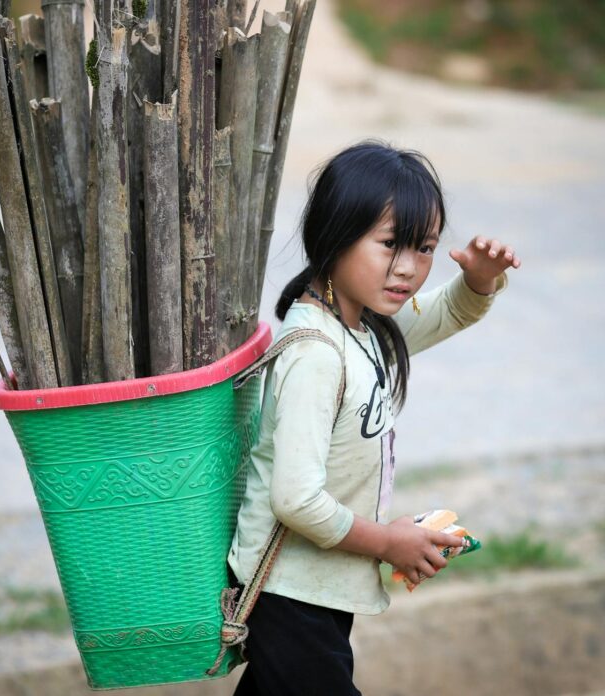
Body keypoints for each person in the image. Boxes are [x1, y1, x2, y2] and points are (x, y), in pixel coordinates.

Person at [227, 139, 521, 695]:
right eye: (390, 245)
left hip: (317, 590)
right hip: (289, 596)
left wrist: (479, 278)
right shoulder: (316, 351)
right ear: (336, 233)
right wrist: (388, 542)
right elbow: (296, 500)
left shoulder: (365, 330)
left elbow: (449, 310)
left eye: (425, 247)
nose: (408, 268)